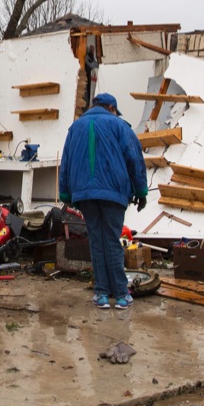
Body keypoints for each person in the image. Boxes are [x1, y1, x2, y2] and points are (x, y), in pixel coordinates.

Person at [58, 93, 149, 310]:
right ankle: (120, 294)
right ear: (111, 107)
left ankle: (101, 294)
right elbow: (134, 159)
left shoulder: (75, 127)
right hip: (113, 193)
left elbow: (66, 160)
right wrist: (141, 191)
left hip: (85, 195)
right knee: (111, 240)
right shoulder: (119, 126)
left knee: (97, 242)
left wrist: (66, 194)